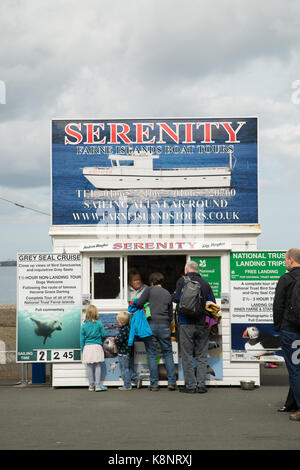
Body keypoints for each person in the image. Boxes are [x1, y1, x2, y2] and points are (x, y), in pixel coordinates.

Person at [172, 260, 215, 394]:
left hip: (185, 322)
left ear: (186, 269)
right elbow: (212, 303)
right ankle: (201, 385)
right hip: (202, 323)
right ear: (197, 270)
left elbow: (176, 298)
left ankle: (190, 385)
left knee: (187, 354)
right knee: (202, 354)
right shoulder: (205, 284)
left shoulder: (182, 281)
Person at [135, 272, 177, 391]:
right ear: (161, 282)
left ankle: (154, 384)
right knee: (168, 353)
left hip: (151, 325)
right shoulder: (168, 293)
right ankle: (172, 382)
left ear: (152, 282)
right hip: (164, 326)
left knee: (152, 354)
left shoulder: (149, 290)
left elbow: (138, 304)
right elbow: (170, 314)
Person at [273, 248, 300, 420]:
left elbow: (278, 305)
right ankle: (291, 403)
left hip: (291, 330)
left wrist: (279, 327)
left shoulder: (286, 279)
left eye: (285, 259)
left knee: (295, 370)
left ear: (291, 260)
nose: (284, 262)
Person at [80, 305, 107, 392]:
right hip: (97, 346)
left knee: (89, 366)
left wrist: (82, 349)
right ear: (96, 313)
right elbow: (104, 335)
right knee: (98, 365)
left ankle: (91, 385)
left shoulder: (84, 325)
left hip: (87, 347)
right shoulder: (99, 324)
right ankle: (98, 385)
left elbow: (81, 339)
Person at [115, 311, 139, 390]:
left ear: (122, 322)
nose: (118, 323)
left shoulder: (123, 330)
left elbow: (119, 341)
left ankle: (127, 385)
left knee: (124, 369)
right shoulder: (129, 328)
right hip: (129, 352)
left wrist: (115, 339)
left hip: (123, 353)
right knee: (130, 368)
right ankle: (136, 379)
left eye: (118, 321)